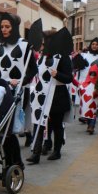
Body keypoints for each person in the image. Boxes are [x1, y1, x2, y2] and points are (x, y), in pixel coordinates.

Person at [0, 13, 36, 167]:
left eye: (8, 27)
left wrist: (21, 81)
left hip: (18, 92)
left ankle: (14, 163)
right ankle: (13, 162)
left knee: (8, 129)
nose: (4, 29)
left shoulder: (25, 45)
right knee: (2, 129)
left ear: (14, 28)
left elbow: (32, 70)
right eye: (2, 26)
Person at [26, 31, 73, 163]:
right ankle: (36, 153)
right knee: (38, 123)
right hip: (42, 95)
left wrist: (57, 74)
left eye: (45, 41)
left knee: (56, 125)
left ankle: (57, 151)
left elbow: (69, 78)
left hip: (58, 96)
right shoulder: (41, 57)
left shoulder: (63, 57)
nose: (43, 44)